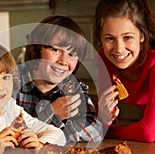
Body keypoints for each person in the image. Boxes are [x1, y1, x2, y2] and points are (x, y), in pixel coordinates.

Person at [95, 0, 155, 144]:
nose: (119, 50)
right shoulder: (105, 59)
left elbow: (149, 132)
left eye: (128, 37)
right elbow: (102, 125)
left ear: (142, 35)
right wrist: (105, 118)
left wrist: (112, 133)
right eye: (110, 39)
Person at [14, 15, 104, 143]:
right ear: (37, 48)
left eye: (72, 54)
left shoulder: (74, 87)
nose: (63, 61)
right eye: (55, 50)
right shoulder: (12, 82)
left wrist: (49, 132)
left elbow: (95, 133)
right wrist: (52, 113)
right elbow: (9, 133)